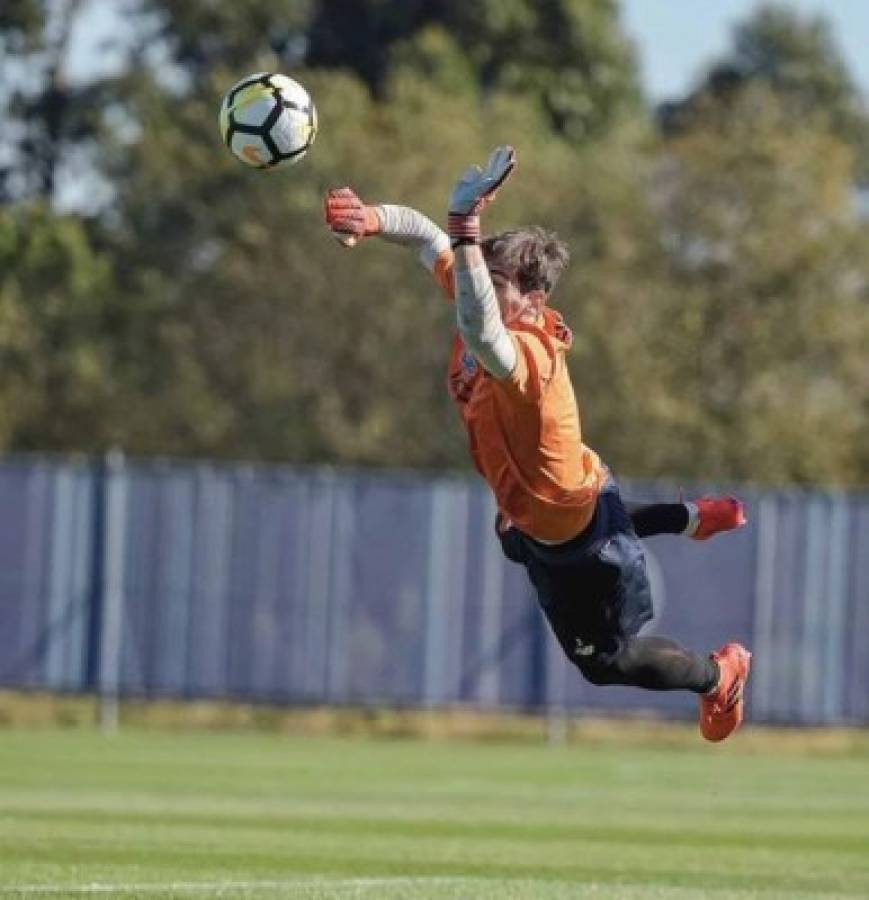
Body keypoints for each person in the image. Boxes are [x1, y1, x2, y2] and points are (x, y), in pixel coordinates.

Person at [324, 146, 751, 742]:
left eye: (494, 281)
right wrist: (374, 220)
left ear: (534, 300)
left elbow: (479, 327)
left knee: (607, 663)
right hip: (559, 501)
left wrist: (465, 229)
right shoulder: (486, 296)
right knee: (516, 536)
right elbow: (427, 240)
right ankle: (689, 517)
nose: (474, 287)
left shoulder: (527, 354)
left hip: (578, 539)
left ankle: (718, 677)